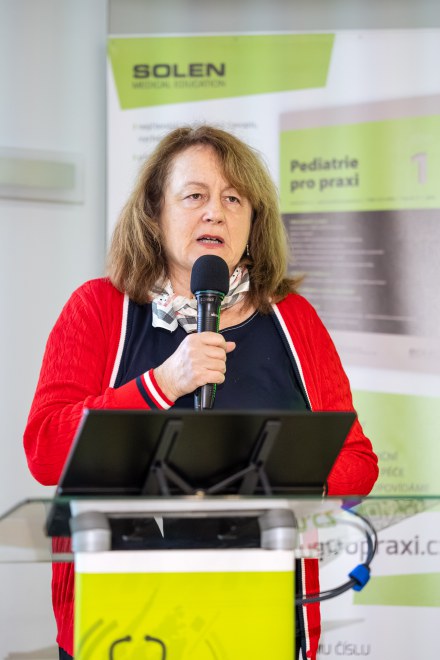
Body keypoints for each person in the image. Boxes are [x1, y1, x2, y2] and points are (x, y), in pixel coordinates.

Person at [24, 124, 378, 660]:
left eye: (234, 199)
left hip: (260, 613)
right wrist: (163, 384)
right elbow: (46, 451)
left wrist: (273, 484)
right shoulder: (98, 309)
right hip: (121, 621)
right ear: (154, 214)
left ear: (253, 222)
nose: (215, 212)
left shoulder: (293, 320)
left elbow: (357, 462)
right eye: (194, 196)